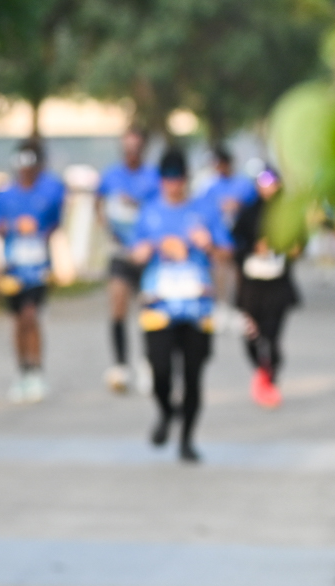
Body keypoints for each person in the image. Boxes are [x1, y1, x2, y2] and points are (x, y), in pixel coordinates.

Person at [128, 147, 232, 462]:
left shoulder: (205, 211)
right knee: (159, 369)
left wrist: (207, 244)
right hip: (159, 304)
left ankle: (187, 440)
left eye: (179, 179)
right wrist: (153, 246)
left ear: (187, 179)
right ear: (160, 181)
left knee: (192, 375)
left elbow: (227, 254)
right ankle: (166, 411)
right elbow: (134, 253)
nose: (174, 185)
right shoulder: (149, 212)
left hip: (197, 306)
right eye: (168, 179)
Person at [0, 139, 68, 402]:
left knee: (31, 316)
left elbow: (56, 223)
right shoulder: (4, 195)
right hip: (13, 267)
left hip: (37, 267)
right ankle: (22, 370)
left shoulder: (50, 191)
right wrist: (11, 227)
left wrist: (41, 231)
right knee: (17, 321)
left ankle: (36, 370)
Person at [96, 128, 161, 393]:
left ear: (143, 149)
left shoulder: (154, 177)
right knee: (117, 303)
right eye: (127, 148)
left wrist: (136, 206)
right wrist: (107, 226)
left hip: (146, 253)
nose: (131, 153)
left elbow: (161, 210)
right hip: (120, 251)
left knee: (148, 309)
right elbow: (98, 203)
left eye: (136, 148)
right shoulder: (110, 175)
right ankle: (120, 365)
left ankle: (148, 364)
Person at [232, 167, 301, 409]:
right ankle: (261, 371)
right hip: (252, 286)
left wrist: (289, 249)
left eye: (271, 182)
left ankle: (270, 378)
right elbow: (234, 242)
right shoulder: (248, 212)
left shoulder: (288, 213)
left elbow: (299, 242)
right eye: (263, 182)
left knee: (272, 336)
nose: (267, 187)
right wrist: (253, 249)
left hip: (277, 286)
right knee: (251, 336)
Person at [197, 145, 257, 333]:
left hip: (241, 238)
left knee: (240, 275)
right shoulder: (210, 188)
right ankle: (221, 307)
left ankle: (239, 309)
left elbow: (254, 208)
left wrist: (238, 205)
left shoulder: (244, 184)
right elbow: (204, 213)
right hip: (219, 239)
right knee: (220, 272)